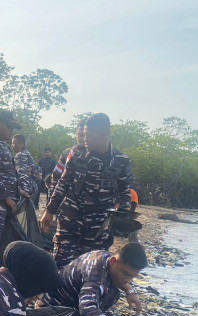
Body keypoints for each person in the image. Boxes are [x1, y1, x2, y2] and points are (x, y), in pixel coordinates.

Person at [41, 113, 133, 269]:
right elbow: (63, 182)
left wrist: (122, 219)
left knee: (91, 269)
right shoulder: (77, 153)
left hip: (97, 227)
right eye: (83, 135)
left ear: (104, 135)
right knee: (61, 265)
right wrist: (49, 211)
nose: (85, 139)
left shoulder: (121, 161)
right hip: (70, 220)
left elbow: (125, 194)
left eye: (89, 135)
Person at [49, 243, 148, 316]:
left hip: (72, 304)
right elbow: (88, 311)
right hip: (55, 311)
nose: (127, 280)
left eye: (132, 277)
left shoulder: (105, 258)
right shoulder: (94, 277)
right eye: (126, 274)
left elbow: (116, 278)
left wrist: (130, 290)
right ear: (113, 261)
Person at [0, 111, 39, 270]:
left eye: (13, 128)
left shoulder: (3, 146)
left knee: (5, 238)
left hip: (10, 201)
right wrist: (7, 199)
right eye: (8, 127)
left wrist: (19, 190)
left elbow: (10, 174)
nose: (11, 131)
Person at [46, 118, 87, 202]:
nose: (81, 138)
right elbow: (56, 175)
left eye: (83, 135)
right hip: (68, 202)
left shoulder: (98, 155)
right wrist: (51, 201)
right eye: (78, 134)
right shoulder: (67, 153)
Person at [12, 134, 40, 207]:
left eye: (14, 143)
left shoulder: (20, 155)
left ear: (21, 144)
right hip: (31, 186)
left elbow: (21, 174)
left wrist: (19, 190)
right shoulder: (27, 153)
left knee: (20, 215)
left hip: (25, 188)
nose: (12, 145)